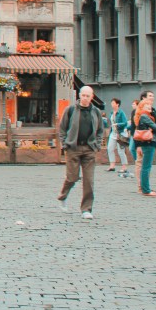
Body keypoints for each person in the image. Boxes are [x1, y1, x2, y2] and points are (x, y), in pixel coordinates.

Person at [56, 85, 103, 219]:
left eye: (88, 96)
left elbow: (100, 130)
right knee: (72, 177)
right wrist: (65, 143)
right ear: (79, 95)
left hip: (89, 149)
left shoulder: (96, 112)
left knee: (89, 181)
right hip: (73, 148)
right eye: (83, 95)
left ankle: (86, 209)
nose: (85, 98)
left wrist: (97, 144)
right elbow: (62, 128)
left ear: (92, 97)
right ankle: (63, 196)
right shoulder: (71, 110)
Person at [131, 92, 156, 197]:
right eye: (146, 105)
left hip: (148, 142)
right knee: (145, 167)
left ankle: (145, 188)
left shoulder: (147, 115)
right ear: (142, 107)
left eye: (149, 105)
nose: (149, 107)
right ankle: (145, 189)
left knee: (145, 166)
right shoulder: (144, 116)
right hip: (147, 142)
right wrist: (153, 128)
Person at [106, 98, 130, 174]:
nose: (112, 104)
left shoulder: (121, 113)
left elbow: (125, 123)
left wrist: (117, 124)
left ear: (117, 104)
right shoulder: (111, 112)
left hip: (120, 133)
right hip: (113, 133)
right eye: (111, 103)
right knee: (110, 149)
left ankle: (124, 166)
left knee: (121, 151)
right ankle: (112, 165)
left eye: (113, 103)